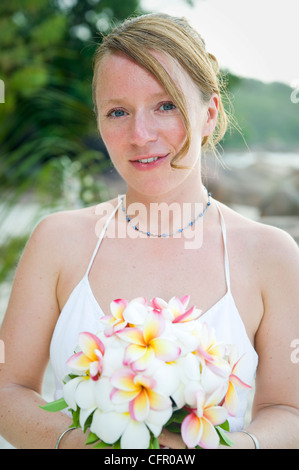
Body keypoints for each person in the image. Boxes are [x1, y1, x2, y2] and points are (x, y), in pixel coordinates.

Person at [0, 13, 299, 449]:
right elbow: (7, 389)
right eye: (118, 111)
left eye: (166, 105)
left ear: (210, 113)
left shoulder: (271, 254)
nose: (140, 135)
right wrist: (82, 445)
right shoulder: (57, 241)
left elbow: (289, 410)